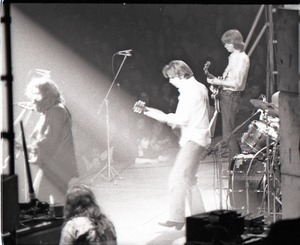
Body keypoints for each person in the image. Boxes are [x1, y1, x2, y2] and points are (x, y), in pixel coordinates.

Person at [139, 60, 211, 230]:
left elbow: (179, 120)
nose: (169, 81)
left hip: (193, 140)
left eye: (171, 77)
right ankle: (201, 219)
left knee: (176, 177)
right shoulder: (200, 87)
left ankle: (177, 218)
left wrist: (151, 112)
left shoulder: (189, 92)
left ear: (180, 75)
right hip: (200, 138)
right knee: (190, 180)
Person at [24, 70, 79, 203]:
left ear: (47, 95)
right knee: (55, 203)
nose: (34, 98)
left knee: (37, 199)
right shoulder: (52, 110)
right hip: (57, 166)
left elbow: (50, 140)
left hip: (57, 167)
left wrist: (25, 147)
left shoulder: (56, 111)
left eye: (37, 94)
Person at [206, 29, 250, 170]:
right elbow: (230, 79)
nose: (225, 46)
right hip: (227, 96)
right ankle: (236, 166)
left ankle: (236, 168)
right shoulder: (233, 57)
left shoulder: (241, 58)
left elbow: (237, 84)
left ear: (235, 42)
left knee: (228, 134)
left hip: (231, 97)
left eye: (227, 43)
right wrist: (217, 82)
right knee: (228, 133)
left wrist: (219, 83)